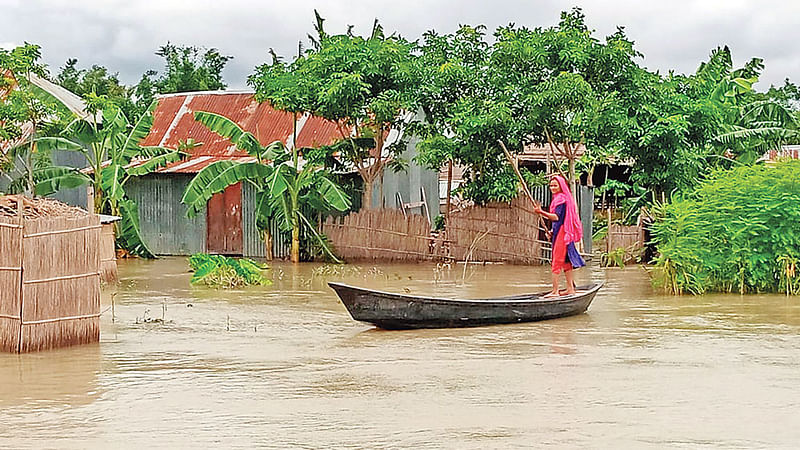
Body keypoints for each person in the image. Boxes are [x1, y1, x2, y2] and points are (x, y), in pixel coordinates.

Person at [533, 175, 585, 298]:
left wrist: (541, 212)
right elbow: (559, 221)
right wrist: (552, 230)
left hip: (563, 233)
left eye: (555, 185)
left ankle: (555, 291)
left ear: (561, 186)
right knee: (566, 262)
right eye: (551, 185)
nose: (552, 188)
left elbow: (557, 217)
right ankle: (570, 289)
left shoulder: (561, 199)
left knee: (556, 262)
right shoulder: (559, 199)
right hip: (562, 231)